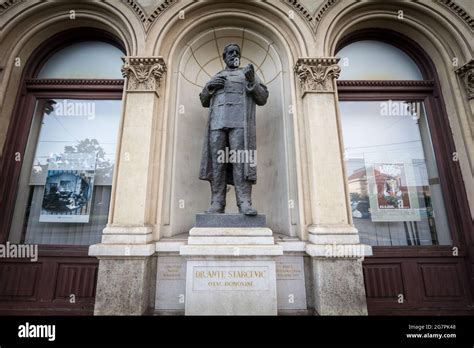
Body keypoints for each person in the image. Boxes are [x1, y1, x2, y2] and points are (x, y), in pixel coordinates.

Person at [199, 43, 269, 215]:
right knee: (217, 164)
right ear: (224, 57)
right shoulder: (217, 75)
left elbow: (263, 97)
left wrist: (252, 80)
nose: (234, 55)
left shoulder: (247, 74)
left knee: (241, 162)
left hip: (240, 124)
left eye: (237, 52)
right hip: (217, 124)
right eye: (230, 52)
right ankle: (217, 202)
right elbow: (203, 100)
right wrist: (209, 87)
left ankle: (244, 202)